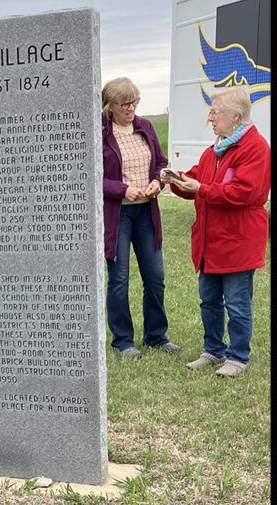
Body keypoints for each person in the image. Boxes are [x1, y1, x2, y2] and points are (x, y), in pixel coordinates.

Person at [161, 85, 270, 377]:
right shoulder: (215, 150)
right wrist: (176, 179)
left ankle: (237, 358)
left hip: (238, 242)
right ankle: (212, 350)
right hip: (210, 243)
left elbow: (244, 193)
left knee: (236, 303)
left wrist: (201, 188)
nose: (210, 117)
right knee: (209, 300)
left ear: (235, 117)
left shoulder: (255, 148)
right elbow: (197, 181)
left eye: (215, 111)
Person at [101, 77, 180, 358]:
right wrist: (124, 189)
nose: (131, 108)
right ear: (110, 106)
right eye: (125, 103)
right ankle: (123, 341)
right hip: (118, 214)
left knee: (155, 275)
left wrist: (158, 181)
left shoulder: (145, 127)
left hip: (147, 211)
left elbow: (160, 162)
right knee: (120, 278)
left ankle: (156, 336)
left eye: (134, 101)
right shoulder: (99, 131)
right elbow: (92, 178)